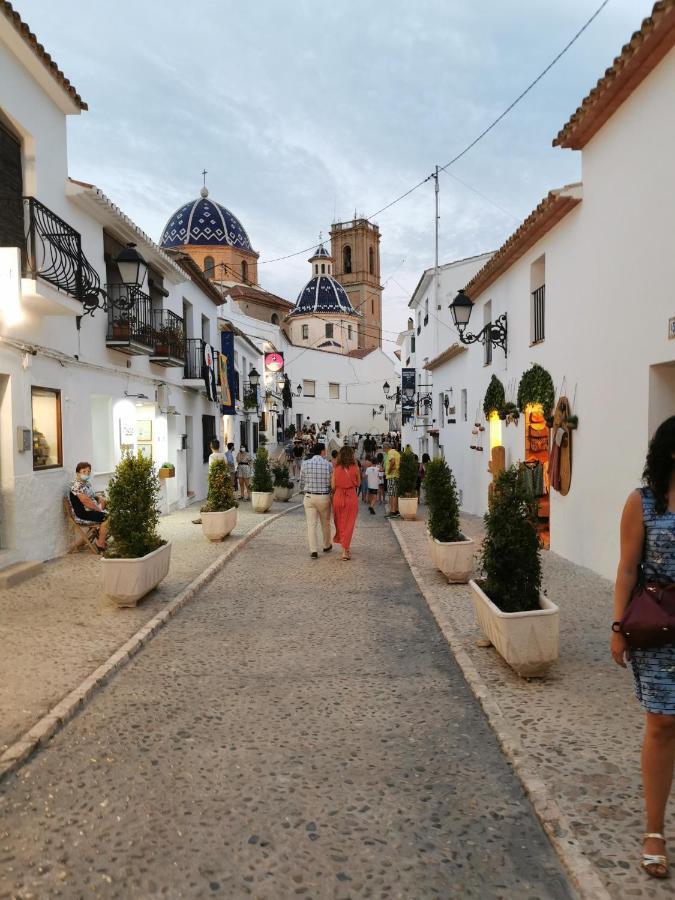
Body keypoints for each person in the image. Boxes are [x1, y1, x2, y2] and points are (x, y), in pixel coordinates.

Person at [611, 416, 675, 879]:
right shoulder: (644, 503)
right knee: (662, 722)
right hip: (658, 627)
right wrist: (619, 626)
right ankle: (655, 830)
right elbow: (627, 570)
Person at [300, 443, 333, 559]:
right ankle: (326, 545)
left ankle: (313, 550)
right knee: (326, 523)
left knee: (311, 525)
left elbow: (301, 481)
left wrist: (304, 490)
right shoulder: (328, 465)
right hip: (323, 496)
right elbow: (330, 482)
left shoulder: (305, 463)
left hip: (309, 497)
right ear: (322, 451)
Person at [70, 461, 108, 552]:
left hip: (91, 510)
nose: (87, 473)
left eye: (88, 471)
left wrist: (99, 498)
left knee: (111, 515)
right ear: (78, 473)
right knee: (108, 518)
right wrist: (99, 510)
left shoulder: (86, 483)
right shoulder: (76, 485)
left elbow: (92, 496)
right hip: (83, 514)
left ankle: (100, 539)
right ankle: (100, 543)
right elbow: (85, 501)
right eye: (84, 471)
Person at [332, 445, 361, 560]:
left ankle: (345, 547)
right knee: (349, 524)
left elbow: (333, 485)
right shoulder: (356, 468)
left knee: (340, 523)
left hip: (338, 496)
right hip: (351, 496)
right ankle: (345, 550)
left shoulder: (336, 468)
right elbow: (358, 483)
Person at [383, 442, 400, 518]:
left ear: (386, 448)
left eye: (383, 448)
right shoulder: (396, 452)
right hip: (396, 475)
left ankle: (393, 511)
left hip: (391, 476)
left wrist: (389, 471)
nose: (383, 450)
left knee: (392, 494)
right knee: (395, 493)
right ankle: (396, 510)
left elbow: (392, 461)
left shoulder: (390, 452)